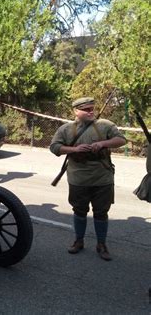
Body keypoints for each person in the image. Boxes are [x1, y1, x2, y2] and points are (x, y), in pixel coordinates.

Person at [49, 97, 126, 261]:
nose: (91, 112)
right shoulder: (66, 129)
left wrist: (103, 144)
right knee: (79, 211)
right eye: (87, 109)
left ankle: (101, 244)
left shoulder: (105, 125)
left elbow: (121, 140)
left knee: (101, 213)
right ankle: (79, 240)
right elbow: (54, 147)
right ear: (76, 111)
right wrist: (74, 149)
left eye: (92, 108)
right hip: (78, 178)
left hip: (102, 177)